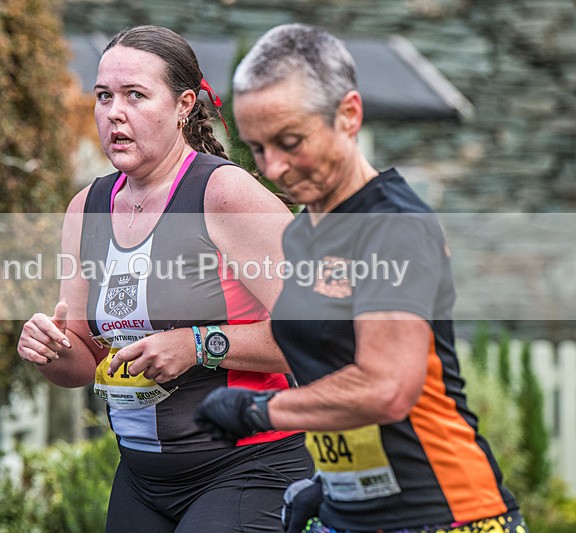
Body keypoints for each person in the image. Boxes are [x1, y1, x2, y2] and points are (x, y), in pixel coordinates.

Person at [195, 23, 527, 533]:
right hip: (349, 514)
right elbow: (330, 369)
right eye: (258, 148)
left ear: (349, 114)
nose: (274, 168)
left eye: (290, 142)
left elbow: (386, 387)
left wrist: (260, 409)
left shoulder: (392, 226)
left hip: (447, 514)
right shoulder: (302, 234)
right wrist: (329, 484)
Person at [17, 25, 313, 532]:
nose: (114, 112)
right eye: (104, 96)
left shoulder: (223, 194)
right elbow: (84, 362)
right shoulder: (86, 208)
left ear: (183, 106)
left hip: (248, 466)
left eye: (135, 95)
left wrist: (197, 345)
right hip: (142, 477)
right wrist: (52, 349)